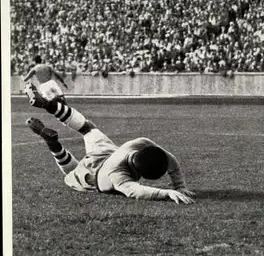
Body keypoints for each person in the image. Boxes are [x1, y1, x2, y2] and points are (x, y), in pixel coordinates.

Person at [24, 84, 195, 204]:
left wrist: (179, 185)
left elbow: (168, 157)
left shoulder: (139, 143)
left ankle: (48, 104)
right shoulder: (120, 179)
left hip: (109, 154)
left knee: (86, 127)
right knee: (70, 172)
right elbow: (138, 191)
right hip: (93, 176)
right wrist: (170, 191)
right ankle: (52, 142)